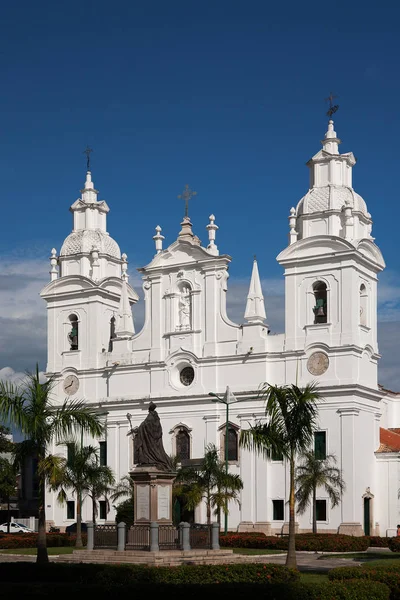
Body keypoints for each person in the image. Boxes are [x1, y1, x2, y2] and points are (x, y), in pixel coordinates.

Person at [134, 402, 174, 472]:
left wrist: (139, 429)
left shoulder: (150, 417)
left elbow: (145, 425)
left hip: (150, 440)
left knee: (151, 451)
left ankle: (151, 459)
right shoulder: (156, 417)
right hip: (154, 440)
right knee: (156, 452)